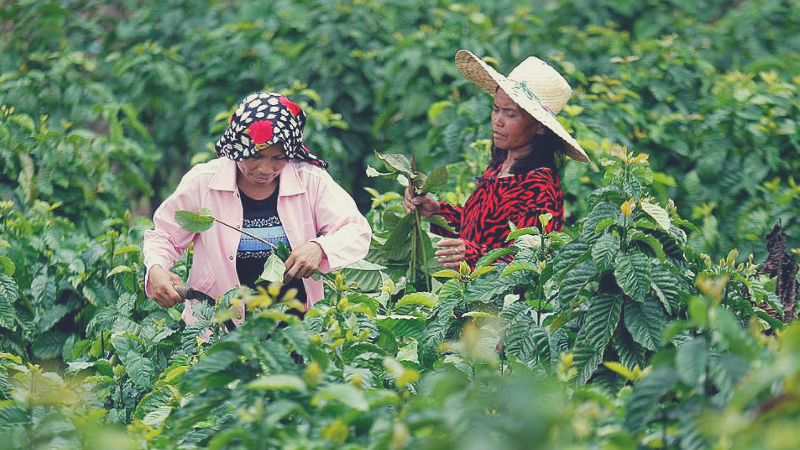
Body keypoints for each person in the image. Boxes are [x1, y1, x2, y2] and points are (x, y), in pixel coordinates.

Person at [144, 92, 371, 326]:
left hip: (297, 332)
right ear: (238, 147)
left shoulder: (311, 181)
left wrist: (320, 247)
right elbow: (165, 235)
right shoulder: (204, 182)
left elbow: (356, 231)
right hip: (218, 327)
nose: (265, 169)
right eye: (256, 156)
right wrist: (156, 268)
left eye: (278, 158)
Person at [404, 49, 590, 269]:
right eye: (496, 109)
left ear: (539, 126)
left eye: (510, 114)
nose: (498, 121)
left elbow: (529, 262)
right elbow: (480, 229)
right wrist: (438, 210)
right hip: (469, 290)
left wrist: (473, 255)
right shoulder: (500, 166)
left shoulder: (539, 185)